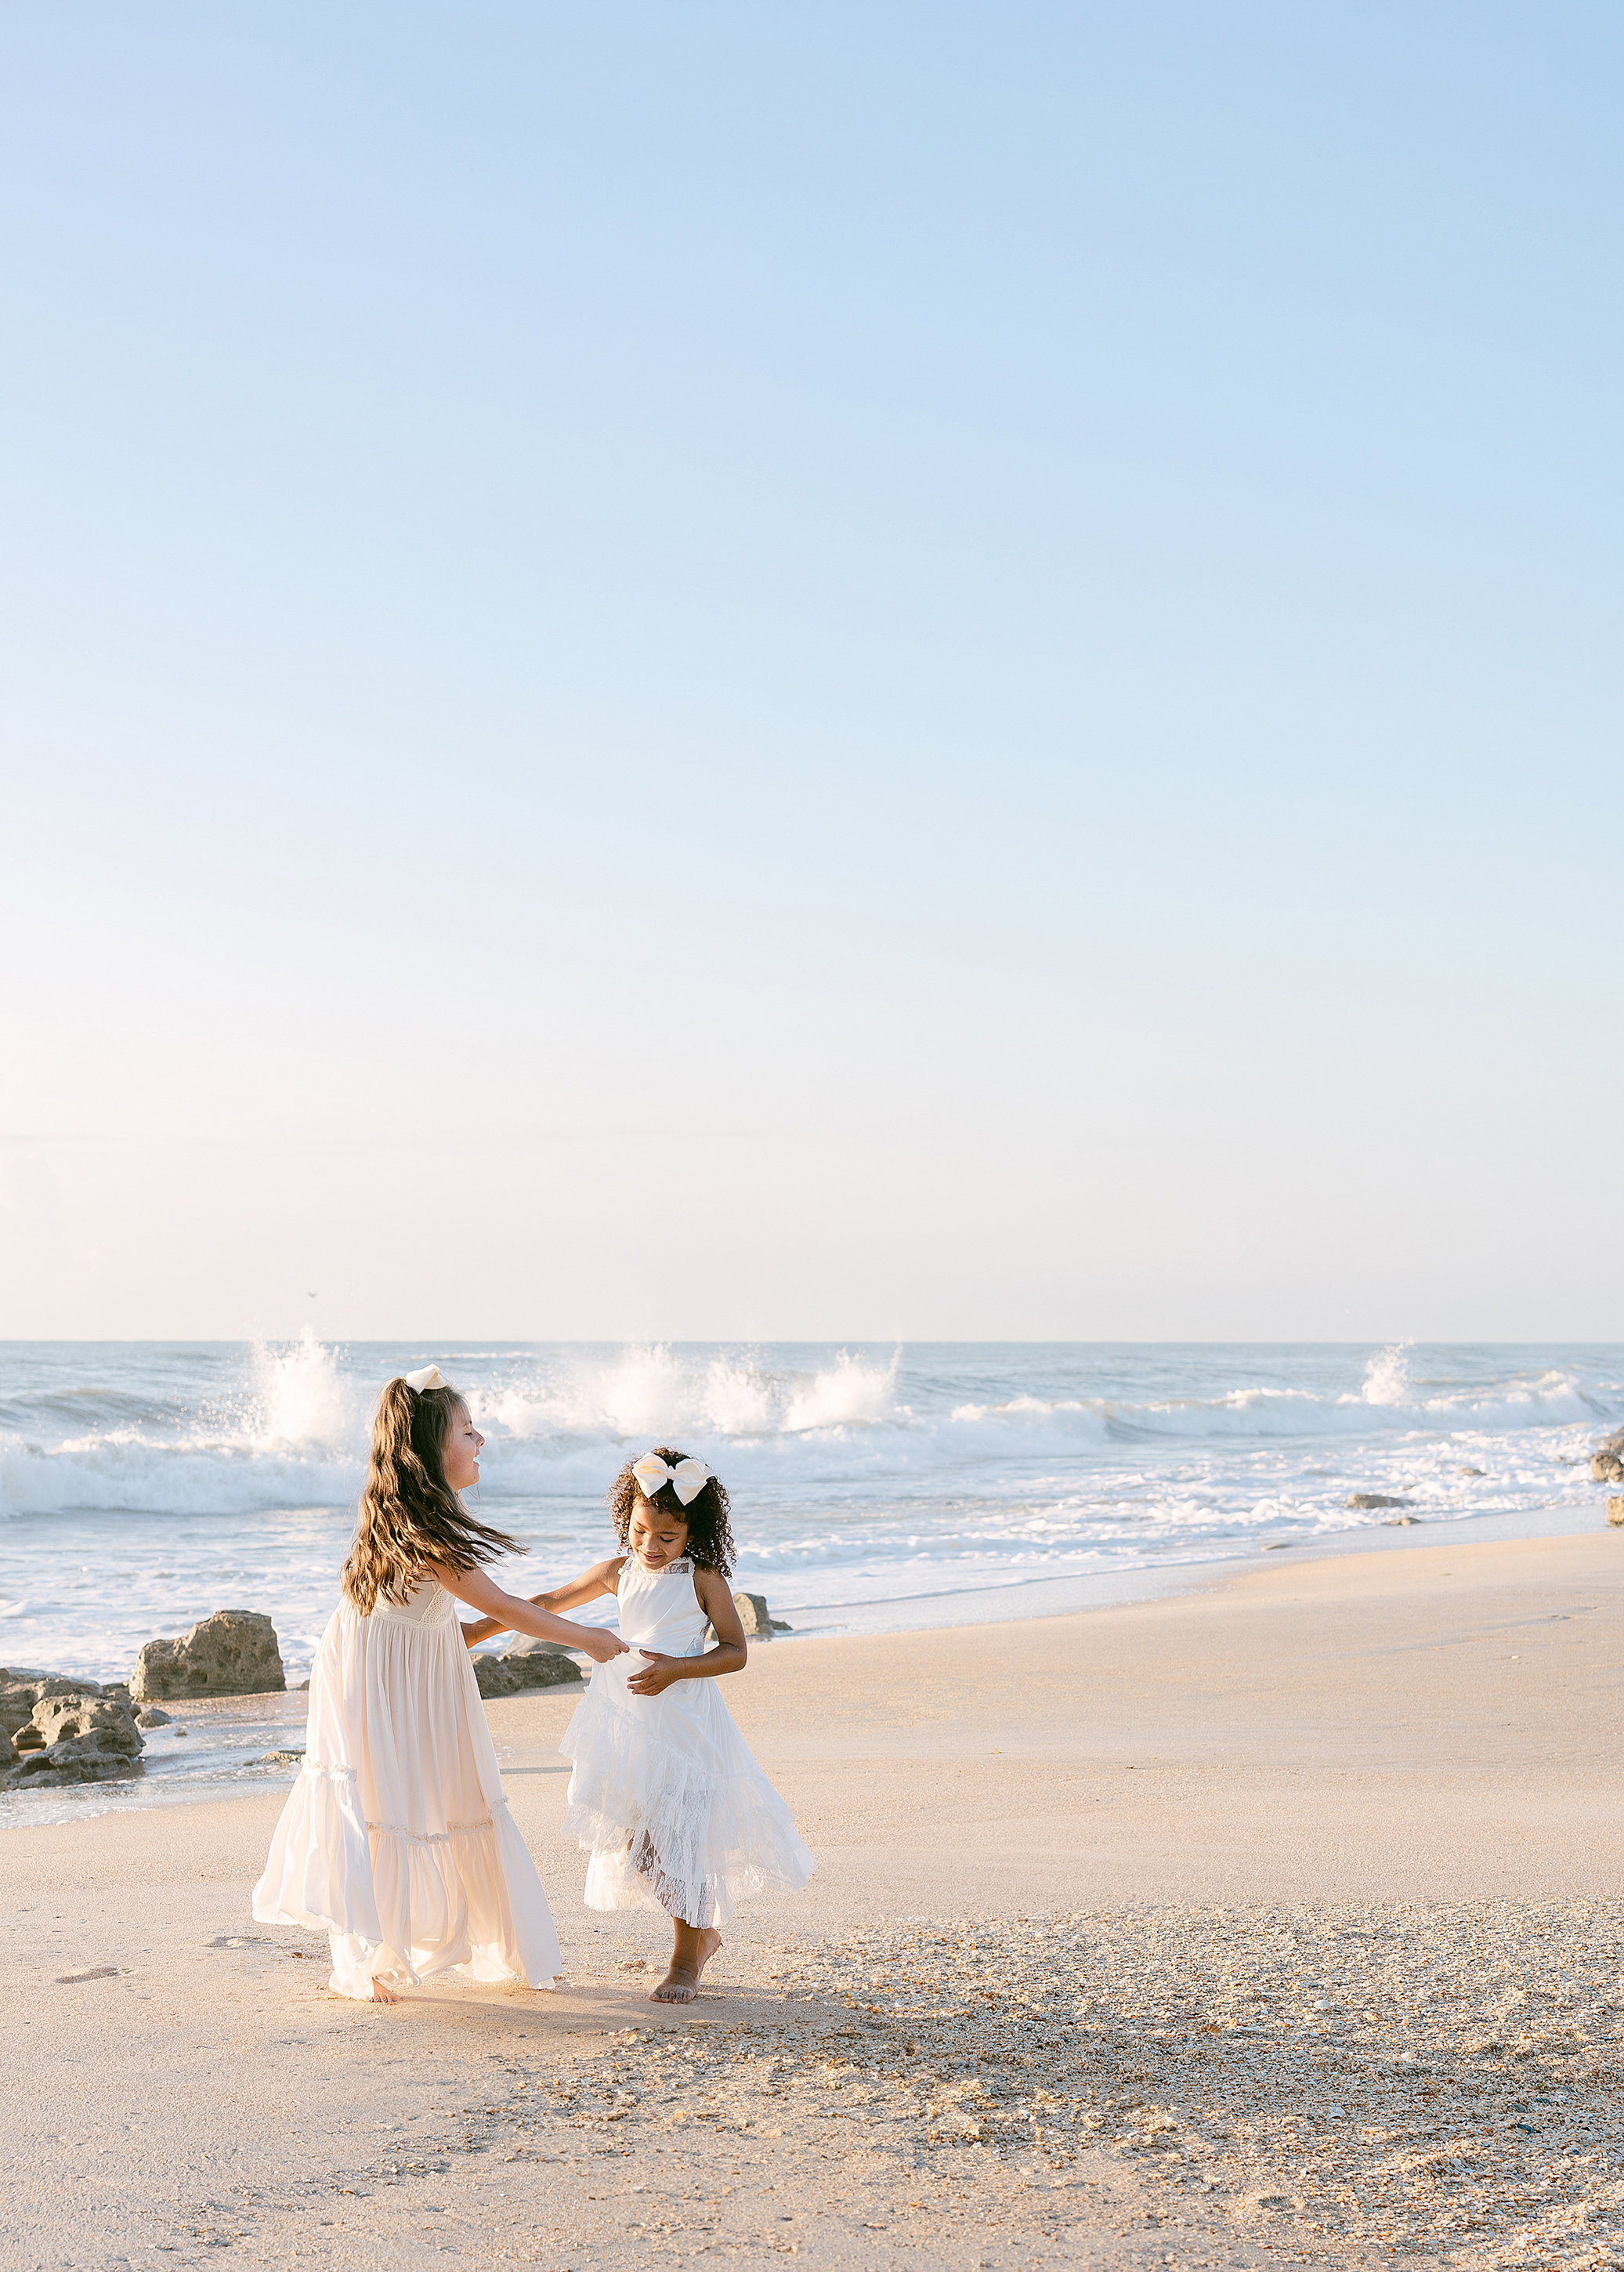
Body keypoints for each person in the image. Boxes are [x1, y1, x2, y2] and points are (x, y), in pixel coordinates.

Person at [251, 1366, 627, 2002]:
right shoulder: (425, 1528)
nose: (481, 1441)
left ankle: (397, 1944)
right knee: (381, 1800)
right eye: (467, 1430)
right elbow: (505, 1608)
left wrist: (488, 1630)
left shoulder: (411, 1515)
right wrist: (590, 1639)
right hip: (379, 1677)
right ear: (431, 1449)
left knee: (408, 1795)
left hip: (392, 1666)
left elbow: (437, 1618)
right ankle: (368, 1954)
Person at [463, 1446, 816, 2004]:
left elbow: (734, 1651)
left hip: (685, 1727)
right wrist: (476, 1631)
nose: (650, 1546)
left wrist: (677, 1669)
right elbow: (546, 1602)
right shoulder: (616, 1573)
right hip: (627, 1726)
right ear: (625, 1519)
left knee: (680, 1840)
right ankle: (702, 1938)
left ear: (692, 1532)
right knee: (642, 1849)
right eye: (639, 1531)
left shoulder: (704, 1580)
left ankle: (685, 1956)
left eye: (666, 1537)